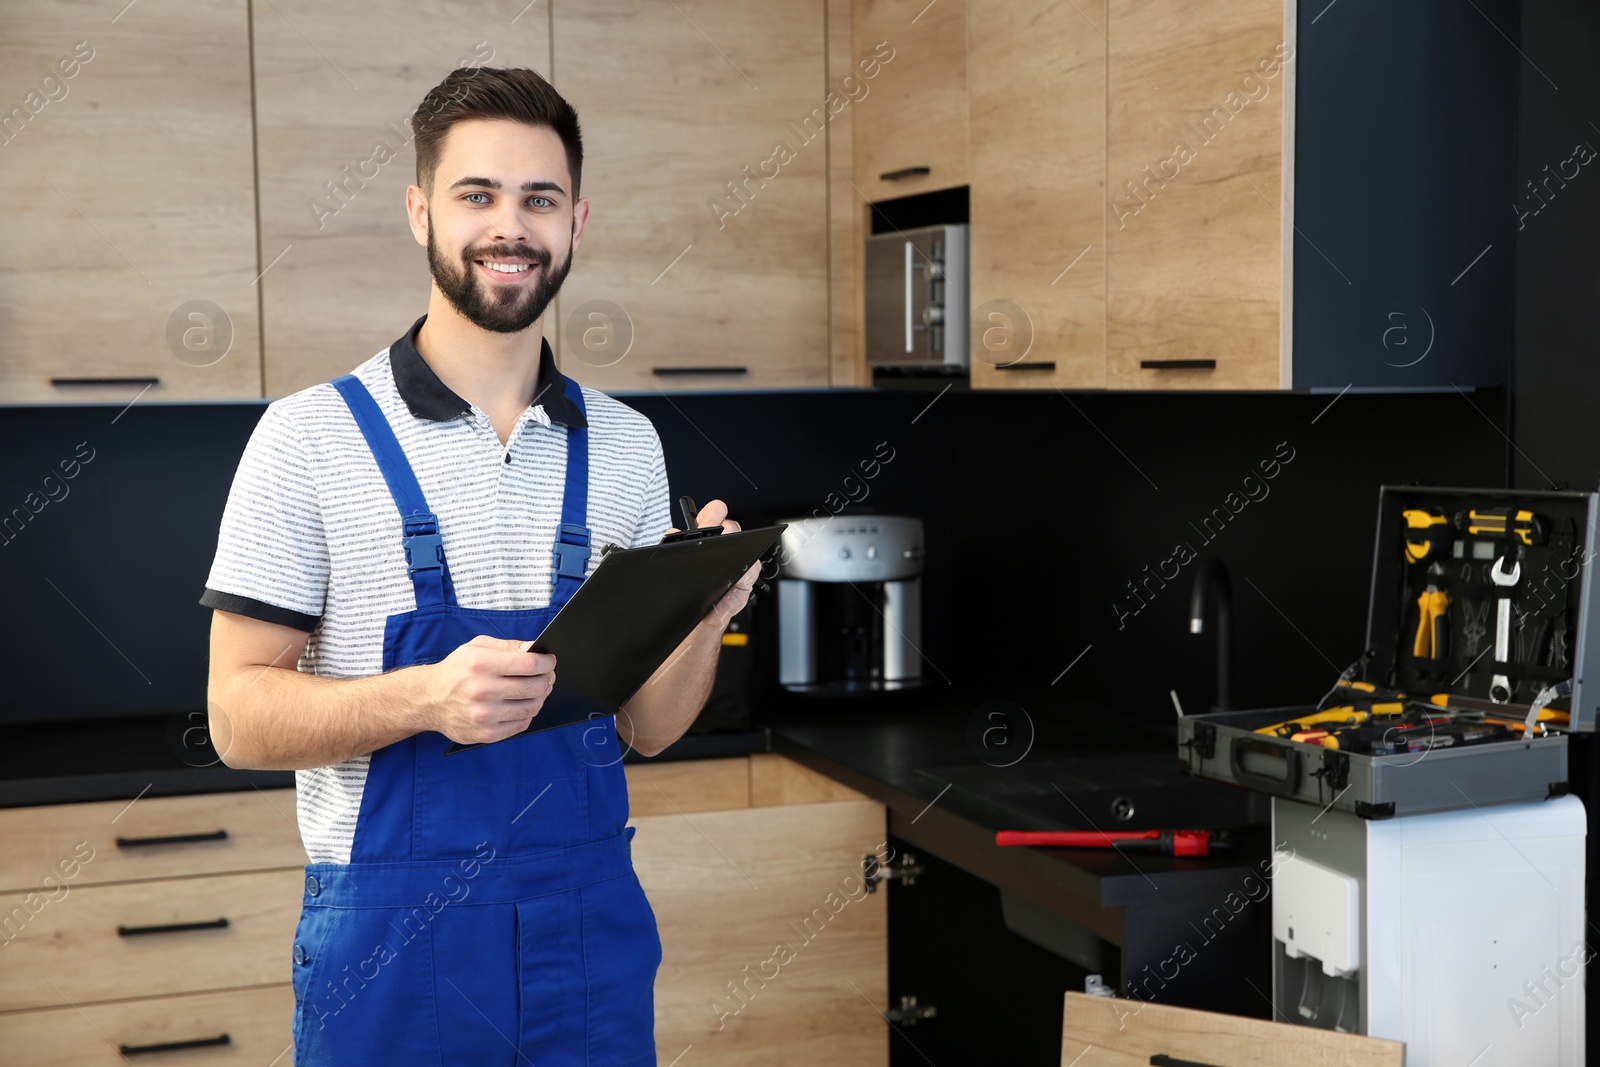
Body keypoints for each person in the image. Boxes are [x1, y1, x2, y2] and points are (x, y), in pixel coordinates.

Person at [200, 65, 757, 1066]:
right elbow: (236, 715)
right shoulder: (307, 440)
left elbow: (651, 726)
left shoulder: (625, 446)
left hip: (587, 949)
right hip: (389, 960)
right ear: (419, 212)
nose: (512, 226)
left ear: (576, 219)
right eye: (477, 195)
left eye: (539, 198)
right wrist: (423, 698)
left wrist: (705, 610)